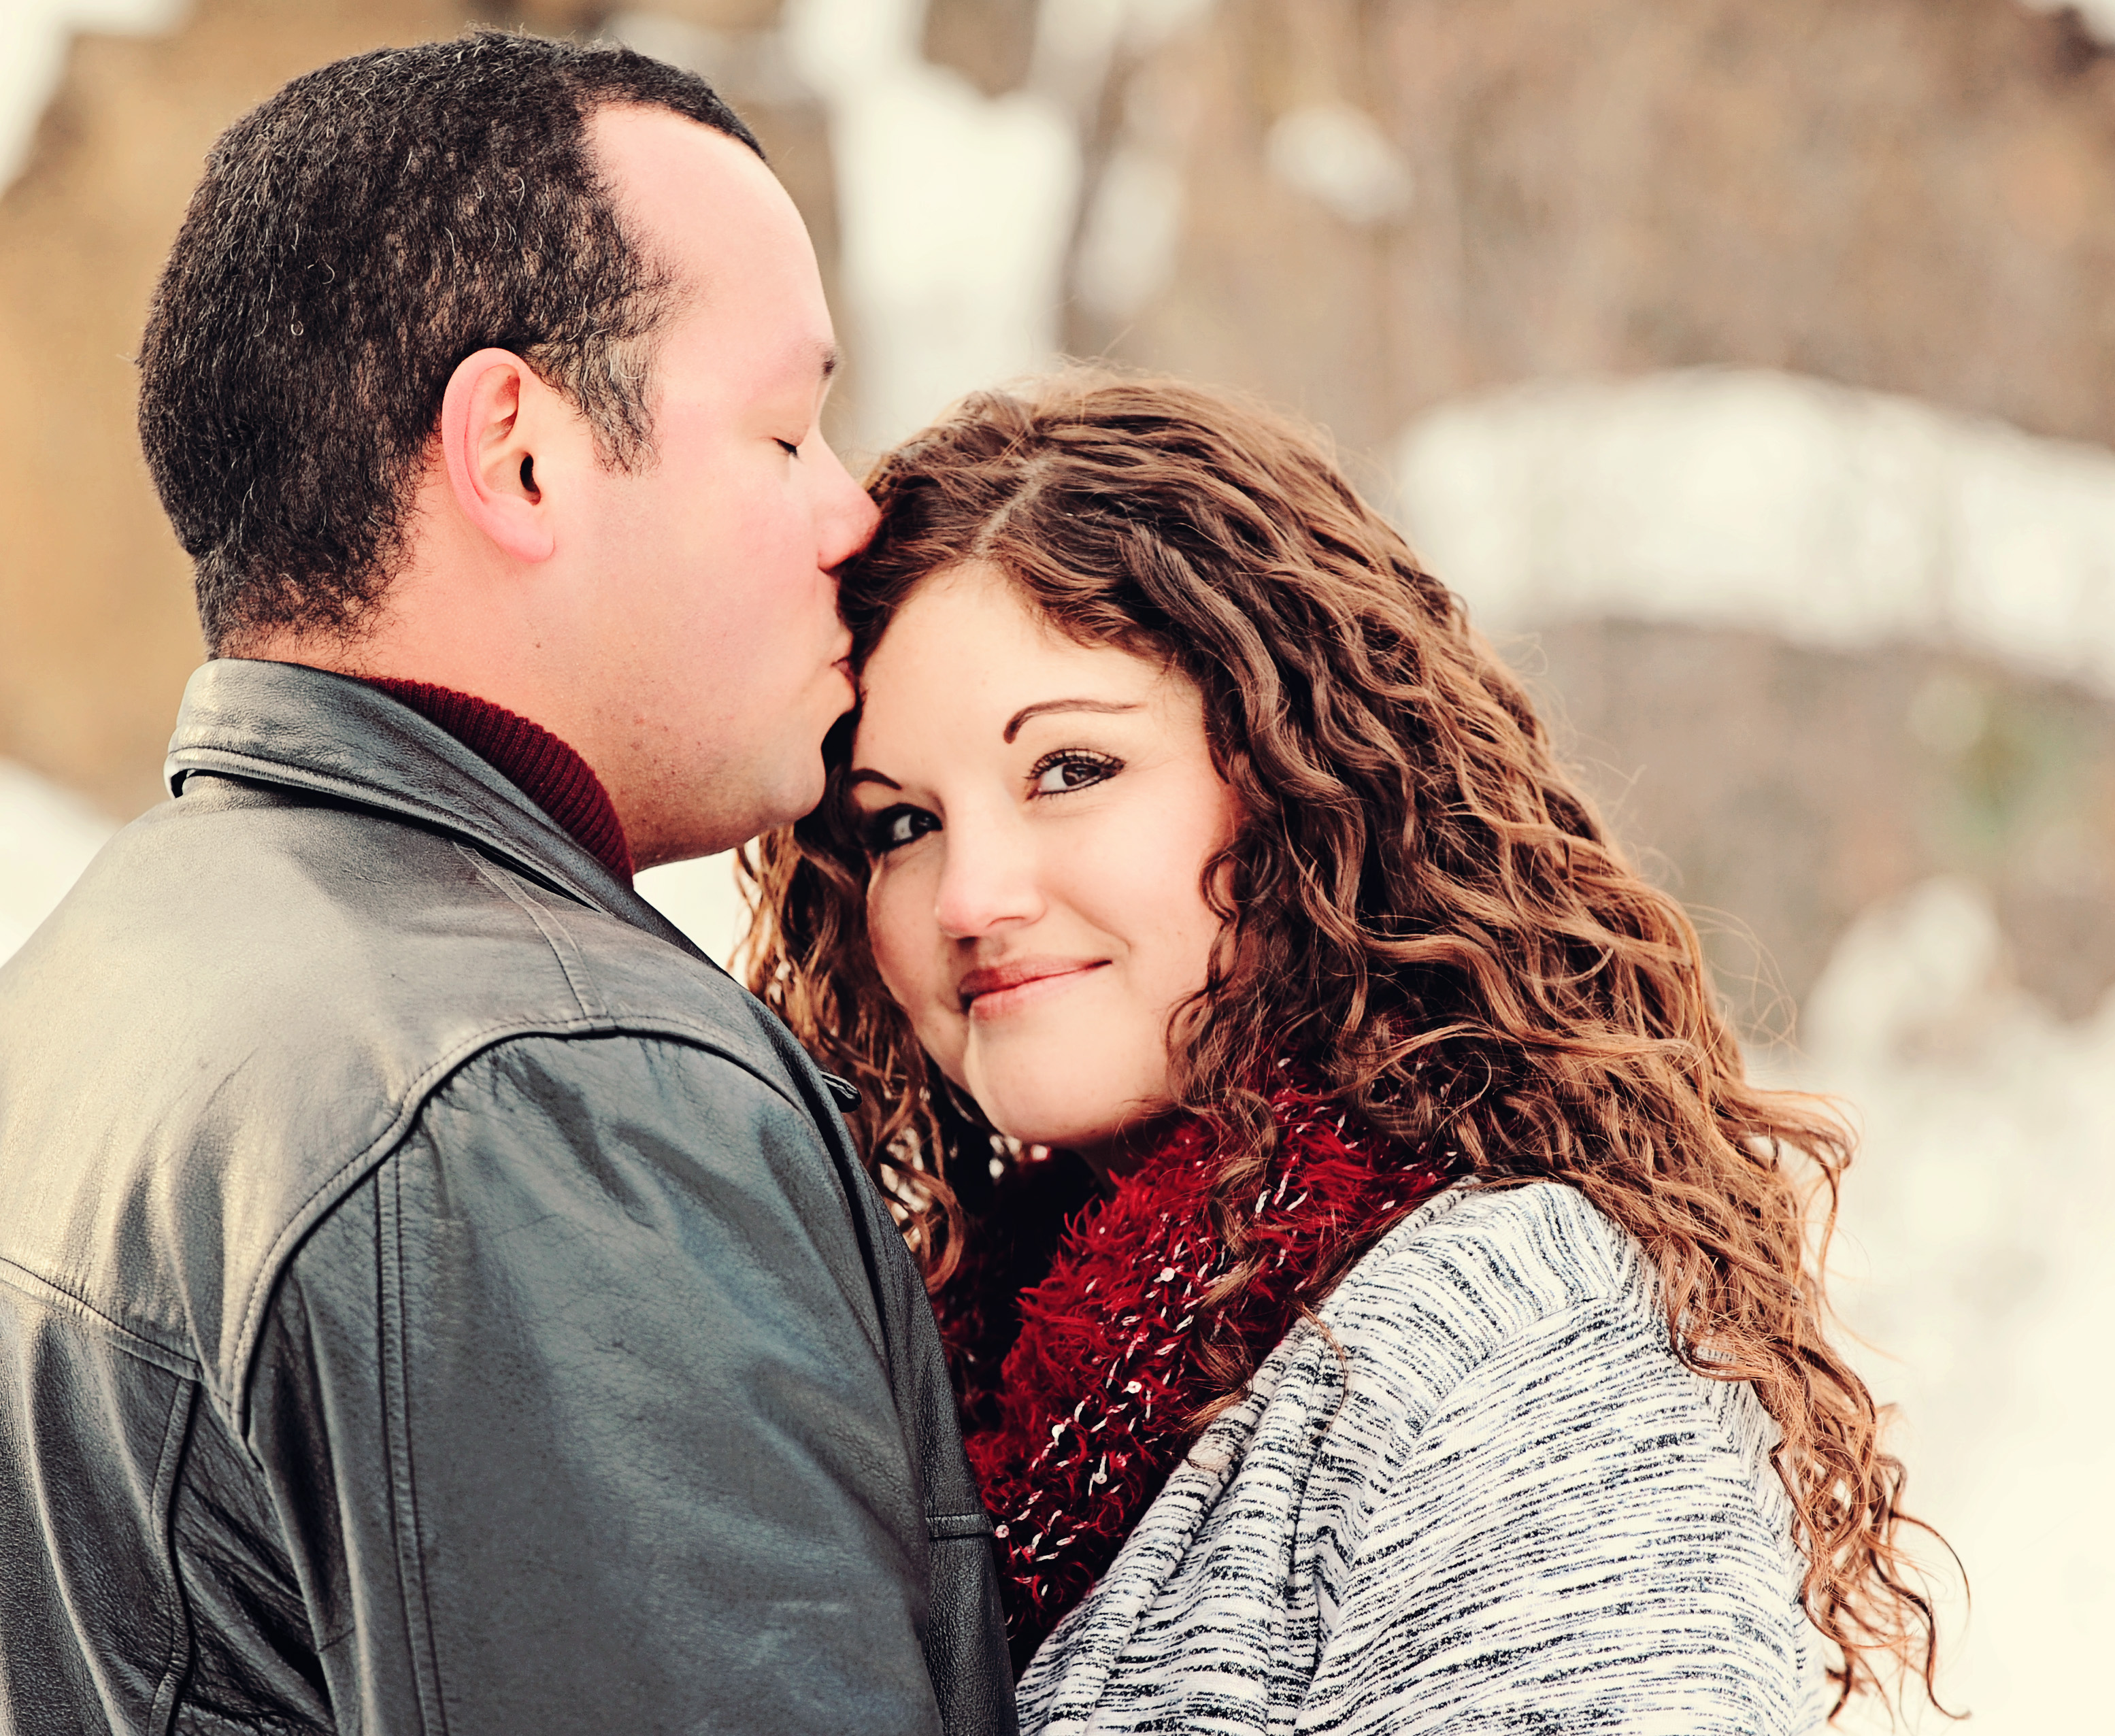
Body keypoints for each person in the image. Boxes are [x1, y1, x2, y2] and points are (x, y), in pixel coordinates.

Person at [0, 33, 1013, 1735]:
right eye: (784, 431)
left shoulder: (110, 970)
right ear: (521, 455)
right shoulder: (540, 1092)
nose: (852, 512)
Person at [743, 373, 1947, 1731]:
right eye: (900, 823)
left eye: (1069, 770)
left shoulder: (1502, 1338)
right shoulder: (944, 1371)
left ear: (1301, 781)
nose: (968, 895)